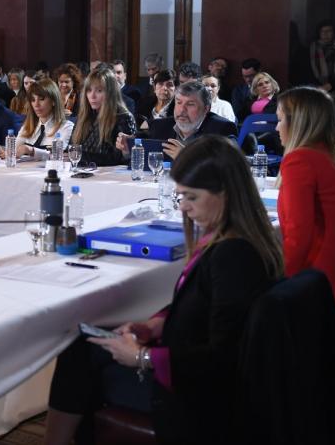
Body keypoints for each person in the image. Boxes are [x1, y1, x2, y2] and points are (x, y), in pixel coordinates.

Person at [44, 135, 283, 445]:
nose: (183, 206)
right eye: (181, 196)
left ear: (225, 193)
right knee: (82, 347)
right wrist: (155, 325)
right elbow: (204, 307)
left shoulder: (232, 256)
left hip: (198, 399)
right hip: (195, 374)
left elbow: (223, 358)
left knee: (79, 365)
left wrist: (143, 357)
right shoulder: (233, 241)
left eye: (191, 197)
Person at [275, 86, 335, 330]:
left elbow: (299, 234)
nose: (276, 128)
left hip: (320, 280)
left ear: (298, 123)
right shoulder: (332, 155)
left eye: (280, 120)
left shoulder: (300, 159)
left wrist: (279, 280)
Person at [117, 80, 237, 161]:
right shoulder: (160, 126)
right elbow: (139, 148)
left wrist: (188, 157)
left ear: (206, 109)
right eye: (179, 103)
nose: (182, 110)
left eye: (190, 104)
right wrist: (128, 147)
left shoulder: (221, 129)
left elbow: (232, 165)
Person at [0, 79, 73, 161]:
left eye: (41, 99)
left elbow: (59, 156)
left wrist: (31, 150)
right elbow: (15, 149)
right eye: (33, 100)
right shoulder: (28, 125)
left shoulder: (66, 126)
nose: (36, 104)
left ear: (53, 101)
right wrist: (0, 148)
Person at [69, 67, 137, 166]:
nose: (92, 96)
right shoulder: (84, 116)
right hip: (82, 171)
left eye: (99, 91)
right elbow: (71, 147)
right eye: (89, 90)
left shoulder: (123, 117)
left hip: (109, 174)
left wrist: (79, 156)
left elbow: (117, 159)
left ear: (110, 93)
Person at [309, 20, 335, 96]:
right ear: (319, 33)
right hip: (314, 88)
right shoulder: (312, 48)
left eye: (329, 31)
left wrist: (331, 85)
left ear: (334, 33)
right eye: (322, 31)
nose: (325, 34)